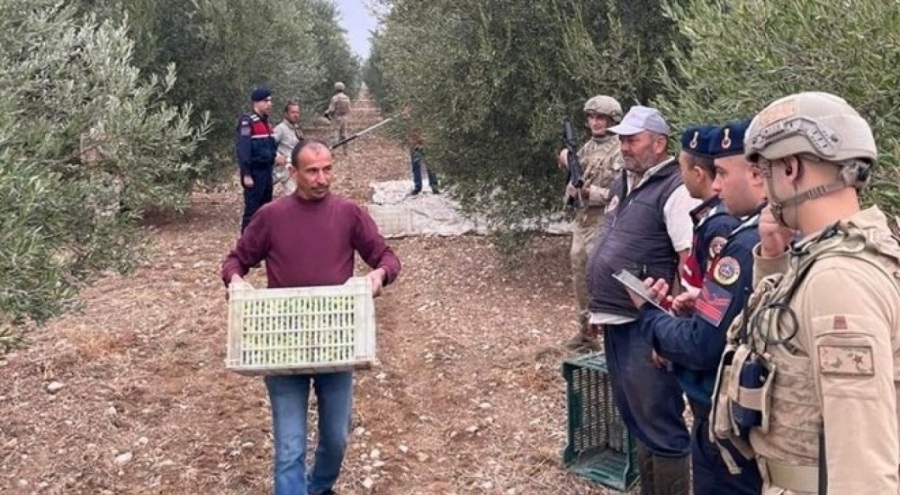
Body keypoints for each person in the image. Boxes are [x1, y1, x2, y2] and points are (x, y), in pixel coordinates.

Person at [711, 91, 900, 494]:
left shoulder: (840, 278)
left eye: (767, 171)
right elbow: (787, 340)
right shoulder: (836, 255)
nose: (766, 188)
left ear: (791, 168)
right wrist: (774, 259)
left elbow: (863, 466)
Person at [221, 139, 402, 495]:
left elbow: (387, 258)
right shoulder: (271, 217)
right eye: (312, 171)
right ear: (292, 173)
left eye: (327, 169)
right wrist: (236, 281)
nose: (322, 179)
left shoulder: (349, 213)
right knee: (290, 447)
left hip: (336, 341)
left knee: (336, 437)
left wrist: (378, 276)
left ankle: (318, 486)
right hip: (285, 343)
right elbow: (235, 261)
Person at [625, 121, 765, 495]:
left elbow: (705, 344)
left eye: (722, 173)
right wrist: (698, 305)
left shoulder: (739, 244)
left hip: (729, 424)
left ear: (757, 175)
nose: (716, 186)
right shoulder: (759, 236)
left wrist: (650, 313)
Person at [585, 105, 701, 495]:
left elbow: (689, 263)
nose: (624, 147)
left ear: (659, 143)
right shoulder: (625, 183)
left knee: (661, 424)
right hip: (619, 321)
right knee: (638, 417)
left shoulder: (676, 189)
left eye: (632, 139)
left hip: (647, 327)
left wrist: (669, 334)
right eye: (621, 139)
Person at [556, 95, 625, 350]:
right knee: (579, 274)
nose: (595, 122)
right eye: (592, 117)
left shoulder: (619, 150)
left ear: (612, 119)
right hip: (582, 220)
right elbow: (576, 178)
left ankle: (608, 334)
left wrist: (589, 193)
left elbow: (620, 194)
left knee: (599, 277)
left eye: (601, 118)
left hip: (603, 220)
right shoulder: (585, 148)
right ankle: (586, 332)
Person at [676, 124, 740, 295]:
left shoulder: (720, 223)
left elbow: (716, 296)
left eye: (681, 168)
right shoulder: (710, 216)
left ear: (698, 174)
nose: (680, 175)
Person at [236, 86, 278, 232]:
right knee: (252, 210)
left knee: (266, 209)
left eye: (270, 101)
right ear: (256, 102)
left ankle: (262, 243)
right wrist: (246, 173)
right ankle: (246, 244)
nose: (269, 104)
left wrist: (276, 157)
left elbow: (270, 147)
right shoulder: (247, 122)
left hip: (266, 172)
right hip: (254, 173)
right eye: (266, 101)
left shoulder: (266, 123)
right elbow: (243, 150)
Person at [273, 100, 305, 196]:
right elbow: (268, 145)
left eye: (297, 112)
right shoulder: (280, 128)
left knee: (295, 194)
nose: (296, 115)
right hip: (281, 168)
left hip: (293, 168)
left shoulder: (297, 128)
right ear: (286, 114)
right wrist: (276, 156)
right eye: (293, 112)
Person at [324, 82, 352, 148]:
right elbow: (349, 109)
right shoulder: (346, 97)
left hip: (336, 118)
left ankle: (333, 149)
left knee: (334, 134)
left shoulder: (335, 98)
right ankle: (345, 149)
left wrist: (326, 112)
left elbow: (331, 109)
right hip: (345, 118)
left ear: (336, 89)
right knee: (344, 134)